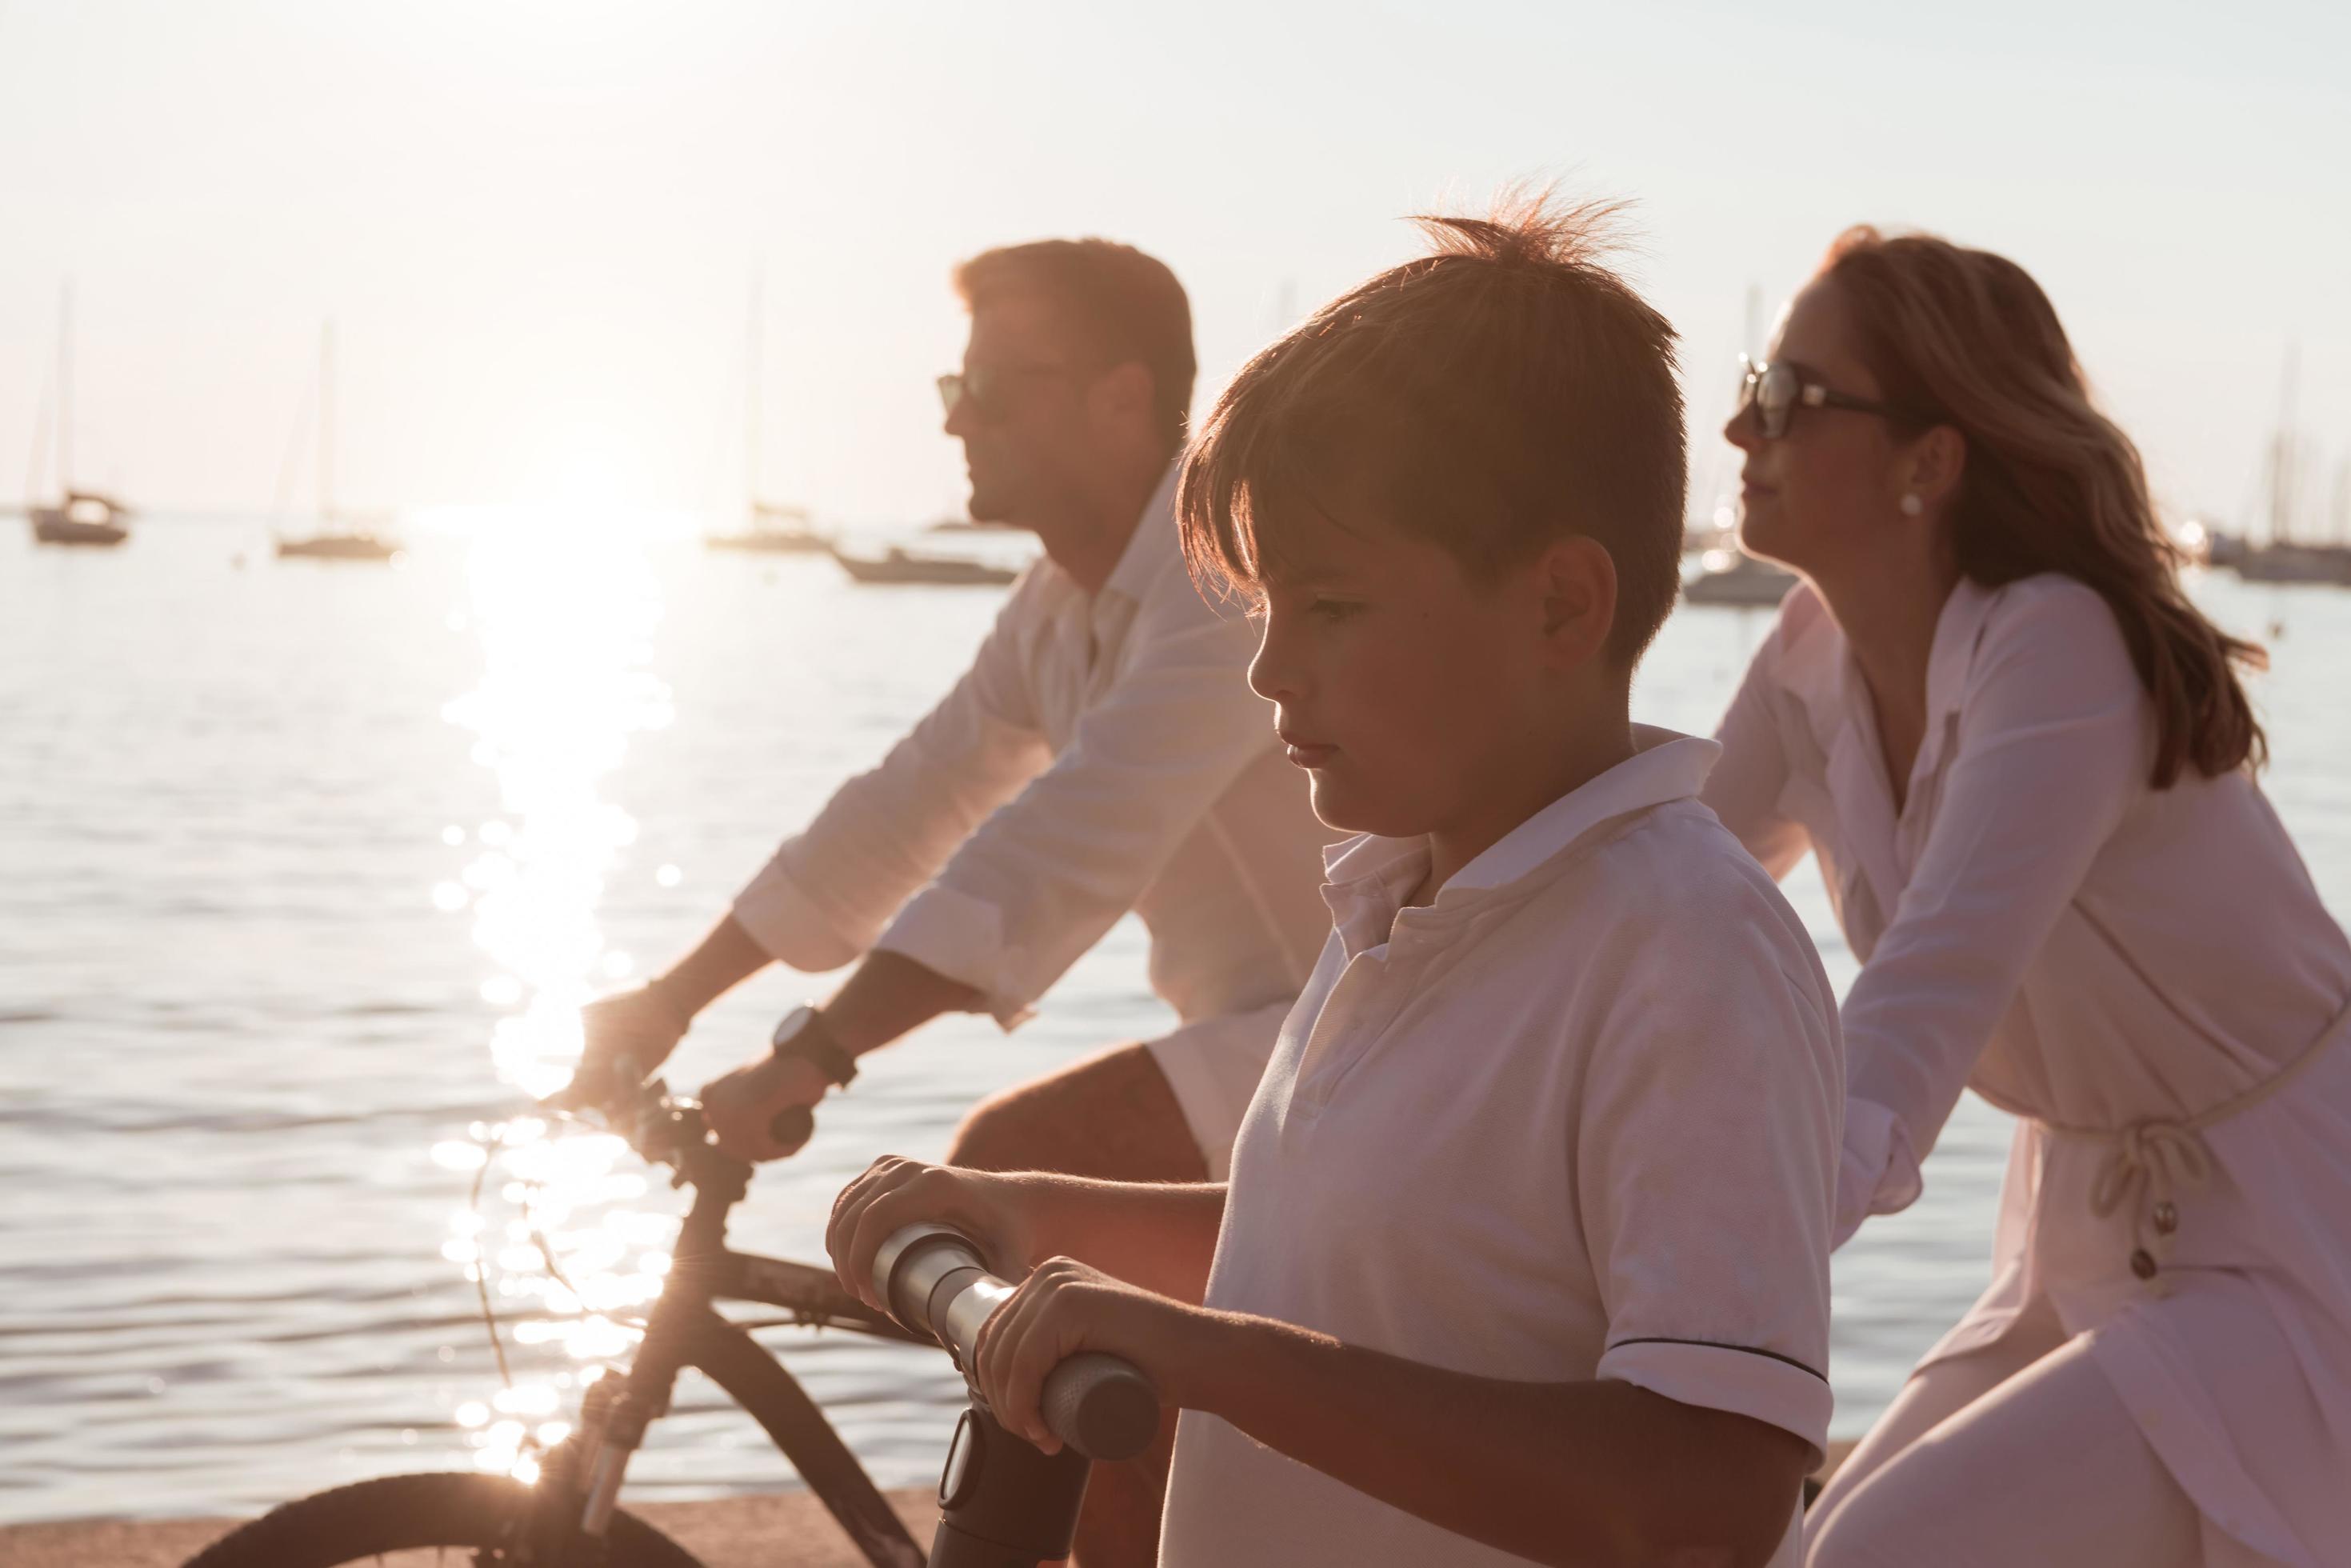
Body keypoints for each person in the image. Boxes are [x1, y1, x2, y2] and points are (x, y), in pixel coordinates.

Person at [826, 197, 1845, 1568]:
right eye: (1266, 610)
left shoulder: (1686, 949)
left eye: (1335, 607)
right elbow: (1347, 1243)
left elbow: (1706, 1496)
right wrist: (1034, 1214)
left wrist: (1209, 1361)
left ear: (1561, 606)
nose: (1269, 670)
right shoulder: (1401, 902)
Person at [568, 238, 1336, 1565]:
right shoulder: (1056, 608)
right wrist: (670, 998)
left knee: (1001, 1173)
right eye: (953, 385)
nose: (955, 419)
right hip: (1258, 1042)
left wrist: (811, 1054)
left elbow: (1054, 848)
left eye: (993, 386)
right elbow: (905, 807)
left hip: (1355, 1033)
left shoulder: (1220, 584)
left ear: (1121, 397)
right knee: (1022, 1251)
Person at [1705, 227, 2351, 1568]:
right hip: (2085, 1243)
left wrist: (1721, 1259)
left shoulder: (2054, 644)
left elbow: (1918, 1006)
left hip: (2297, 1239)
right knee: (1786, 1544)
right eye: (1755, 380)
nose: (1735, 425)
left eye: (1786, 397)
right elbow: (1659, 903)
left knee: (1873, 1553)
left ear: (1928, 461)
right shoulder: (1807, 658)